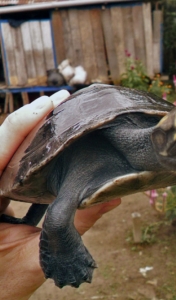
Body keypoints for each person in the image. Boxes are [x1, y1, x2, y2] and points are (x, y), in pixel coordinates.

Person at [0, 91, 121, 300]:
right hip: (60, 167)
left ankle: (29, 222)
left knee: (56, 195)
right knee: (57, 197)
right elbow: (56, 220)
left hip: (62, 178)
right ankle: (56, 246)